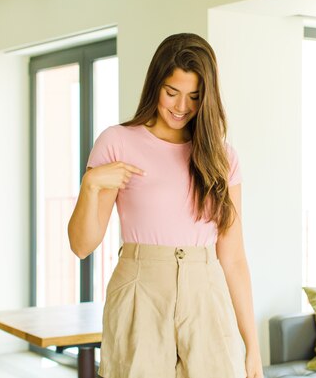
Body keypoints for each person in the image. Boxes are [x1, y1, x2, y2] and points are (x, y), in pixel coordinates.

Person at [68, 33, 263, 378]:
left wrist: (253, 348)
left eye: (194, 96)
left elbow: (232, 258)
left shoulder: (222, 157)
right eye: (172, 92)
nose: (181, 106)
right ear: (156, 84)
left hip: (206, 292)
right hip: (140, 289)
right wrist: (90, 185)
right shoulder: (117, 142)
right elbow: (82, 245)